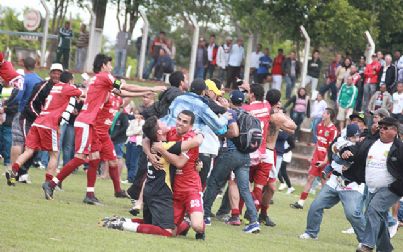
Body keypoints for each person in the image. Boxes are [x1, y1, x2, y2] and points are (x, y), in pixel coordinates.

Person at [42, 54, 163, 203]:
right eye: (110, 65)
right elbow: (124, 87)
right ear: (104, 65)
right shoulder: (104, 76)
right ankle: (52, 183)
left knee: (94, 158)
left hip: (89, 123)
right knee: (81, 157)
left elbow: (122, 91)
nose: (111, 68)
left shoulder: (100, 81)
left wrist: (144, 92)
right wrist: (151, 87)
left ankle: (90, 195)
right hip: (86, 122)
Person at [101, 113, 203, 238]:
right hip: (165, 191)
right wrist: (200, 136)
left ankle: (122, 221)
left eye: (185, 121)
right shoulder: (167, 141)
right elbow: (181, 157)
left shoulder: (162, 140)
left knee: (161, 225)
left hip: (180, 188)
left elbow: (147, 139)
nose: (178, 123)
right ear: (159, 132)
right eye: (179, 119)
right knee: (167, 230)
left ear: (190, 125)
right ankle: (122, 224)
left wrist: (151, 153)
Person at [6, 71, 83, 186]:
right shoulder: (67, 87)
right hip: (50, 123)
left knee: (29, 151)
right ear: (70, 80)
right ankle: (48, 183)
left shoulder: (54, 87)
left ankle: (13, 171)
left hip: (38, 121)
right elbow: (81, 93)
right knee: (54, 154)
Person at [203, 90, 261, 233]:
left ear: (230, 101)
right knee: (245, 189)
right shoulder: (248, 114)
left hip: (231, 153)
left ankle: (204, 215)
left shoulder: (232, 113)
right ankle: (254, 221)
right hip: (245, 155)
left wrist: (221, 134)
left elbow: (234, 132)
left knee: (214, 182)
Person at [341, 117, 403, 252]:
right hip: (371, 188)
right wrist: (345, 152)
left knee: (373, 210)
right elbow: (355, 150)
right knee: (379, 220)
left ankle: (367, 245)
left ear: (394, 130)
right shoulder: (371, 142)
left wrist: (397, 187)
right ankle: (385, 249)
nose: (381, 130)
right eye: (380, 127)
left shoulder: (399, 148)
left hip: (391, 188)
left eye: (385, 128)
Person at [298, 125, 366, 244]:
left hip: (351, 184)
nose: (356, 138)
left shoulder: (362, 145)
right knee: (316, 205)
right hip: (334, 180)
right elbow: (334, 152)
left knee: (352, 213)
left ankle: (366, 240)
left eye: (357, 136)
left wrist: (350, 164)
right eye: (353, 136)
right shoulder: (341, 141)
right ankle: (311, 232)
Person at [258, 89, 296, 226]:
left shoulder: (262, 110)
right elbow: (293, 126)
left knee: (265, 186)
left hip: (268, 151)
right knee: (267, 186)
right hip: (266, 151)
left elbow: (290, 130)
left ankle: (261, 214)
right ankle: (255, 213)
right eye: (279, 102)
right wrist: (283, 114)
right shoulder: (275, 115)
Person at [290, 108, 337, 209]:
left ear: (329, 115)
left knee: (324, 181)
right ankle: (300, 202)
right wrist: (312, 156)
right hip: (317, 157)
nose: (322, 114)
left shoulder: (333, 130)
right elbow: (318, 143)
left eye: (324, 113)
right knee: (310, 178)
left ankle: (322, 205)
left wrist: (324, 161)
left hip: (326, 159)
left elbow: (331, 148)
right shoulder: (319, 125)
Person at [125, 109, 144, 183]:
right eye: (135, 114)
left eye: (138, 114)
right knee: (128, 161)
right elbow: (127, 133)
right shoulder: (132, 121)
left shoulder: (143, 123)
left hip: (137, 144)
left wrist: (134, 131)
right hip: (129, 142)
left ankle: (131, 179)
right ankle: (129, 177)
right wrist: (134, 132)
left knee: (134, 162)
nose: (136, 116)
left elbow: (140, 131)